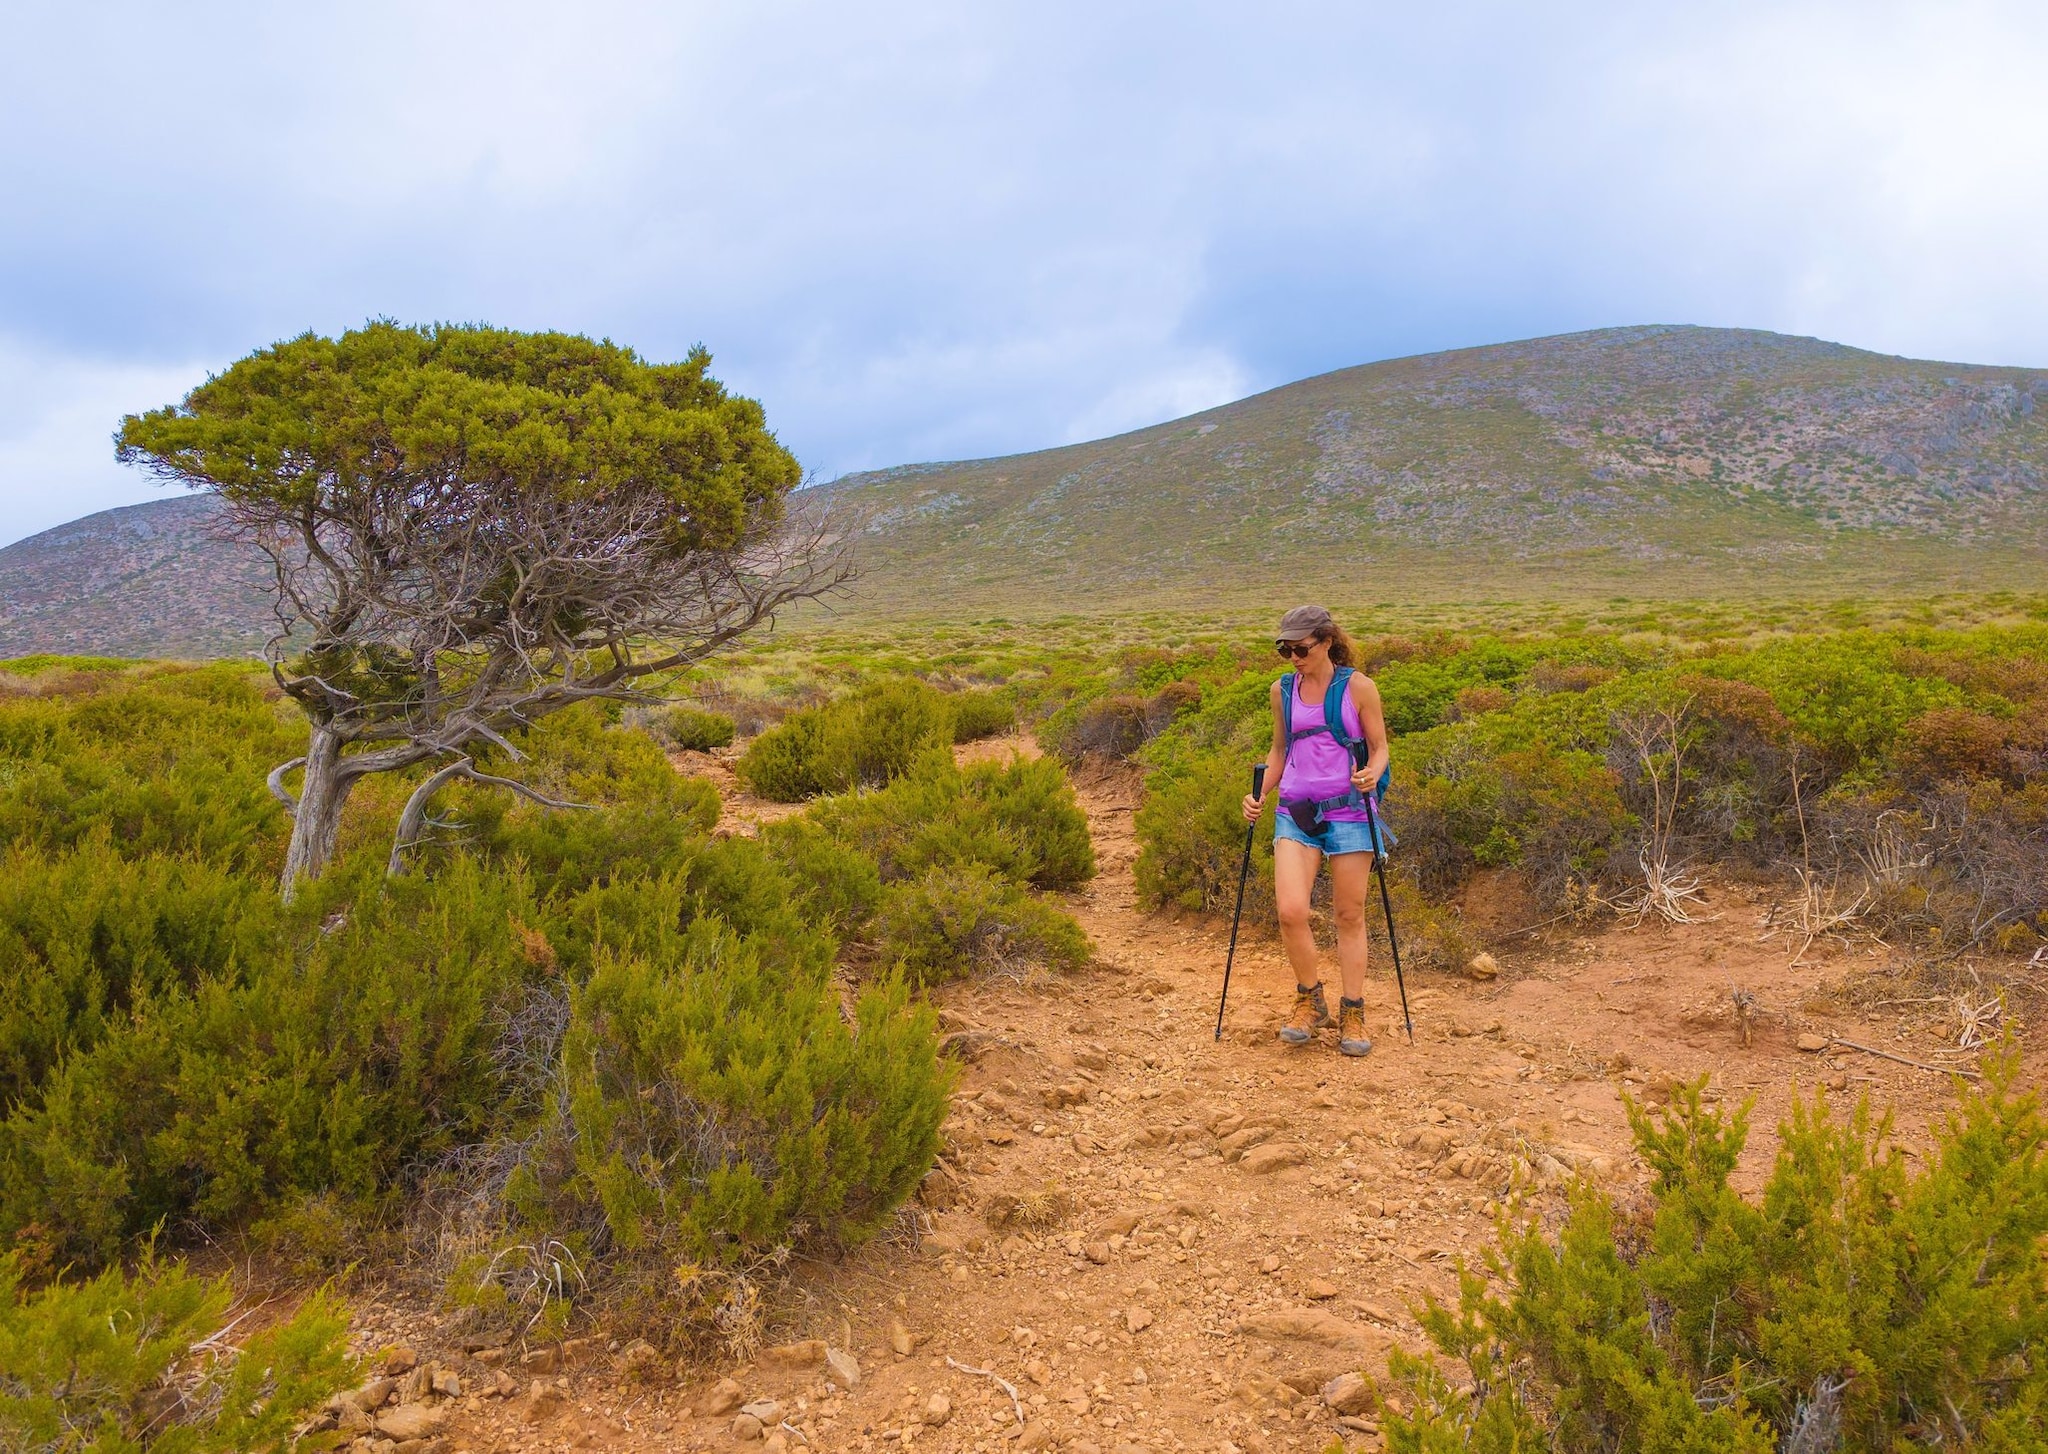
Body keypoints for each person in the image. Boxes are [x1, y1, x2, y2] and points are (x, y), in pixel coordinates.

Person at [1240, 604, 1391, 1057]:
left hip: (1349, 812)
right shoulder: (1282, 690)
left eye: (1301, 648)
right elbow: (1279, 750)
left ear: (1326, 642)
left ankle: (1354, 1009)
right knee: (1290, 911)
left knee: (1349, 915)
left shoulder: (1359, 688)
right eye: (1285, 649)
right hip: (1295, 809)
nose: (1293, 657)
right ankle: (1310, 999)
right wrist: (1259, 793)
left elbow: (1380, 748)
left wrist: (1371, 773)